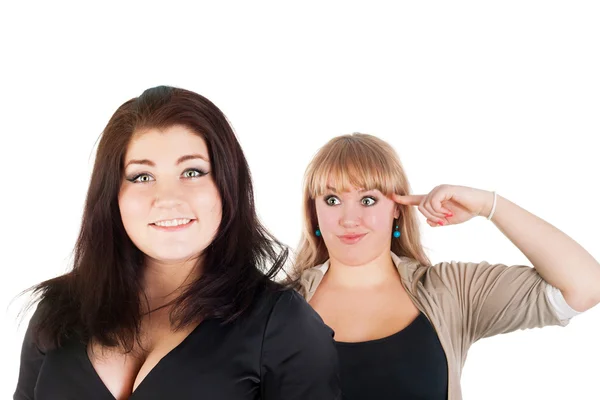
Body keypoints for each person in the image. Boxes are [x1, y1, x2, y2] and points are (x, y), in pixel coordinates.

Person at [14, 86, 340, 400]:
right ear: (111, 196)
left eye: (193, 172)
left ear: (228, 184)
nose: (167, 199)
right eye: (142, 176)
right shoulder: (57, 311)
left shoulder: (283, 326)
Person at [291, 132, 600, 400]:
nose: (349, 218)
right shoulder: (277, 308)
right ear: (314, 211)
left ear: (397, 207)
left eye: (368, 200)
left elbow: (584, 286)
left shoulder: (451, 291)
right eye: (332, 200)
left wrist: (489, 205)